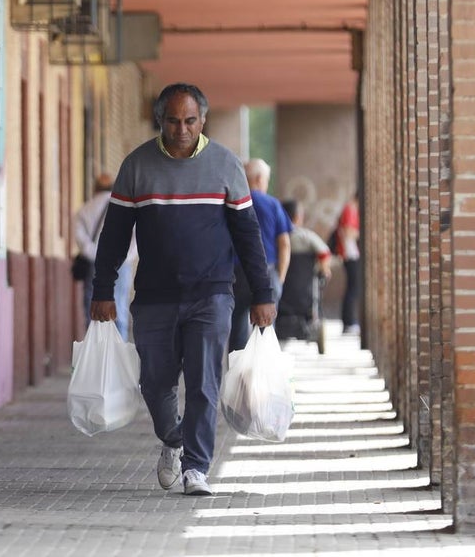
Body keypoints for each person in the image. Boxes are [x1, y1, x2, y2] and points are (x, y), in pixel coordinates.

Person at [89, 83, 275, 497]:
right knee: (155, 384)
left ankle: (196, 467)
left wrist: (263, 294)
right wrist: (103, 290)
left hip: (211, 294)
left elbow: (248, 236)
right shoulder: (137, 166)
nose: (181, 129)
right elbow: (115, 235)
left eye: (190, 120)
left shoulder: (226, 166)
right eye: (173, 120)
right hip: (154, 296)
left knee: (204, 382)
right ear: (161, 120)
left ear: (202, 120)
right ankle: (173, 439)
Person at [228, 158, 292, 352]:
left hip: (237, 274)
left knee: (237, 324)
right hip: (267, 273)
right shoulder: (272, 204)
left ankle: (238, 374)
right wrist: (279, 277)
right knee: (266, 328)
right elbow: (285, 243)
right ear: (258, 179)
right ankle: (263, 374)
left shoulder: (232, 205)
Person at [73, 174, 137, 340]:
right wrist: (126, 256)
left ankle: (96, 352)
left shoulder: (85, 209)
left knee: (93, 310)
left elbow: (80, 238)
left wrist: (96, 254)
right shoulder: (124, 207)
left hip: (93, 264)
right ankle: (119, 353)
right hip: (121, 265)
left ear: (94, 188)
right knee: (120, 307)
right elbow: (136, 236)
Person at [281, 199, 332, 279]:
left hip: (281, 284)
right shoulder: (306, 236)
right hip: (307, 285)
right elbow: (325, 253)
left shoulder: (276, 237)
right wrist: (324, 269)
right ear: (297, 217)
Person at [335, 191, 361, 334]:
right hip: (350, 254)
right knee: (353, 288)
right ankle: (349, 321)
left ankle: (349, 321)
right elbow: (349, 232)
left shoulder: (349, 208)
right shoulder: (350, 209)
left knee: (353, 287)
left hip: (350, 254)